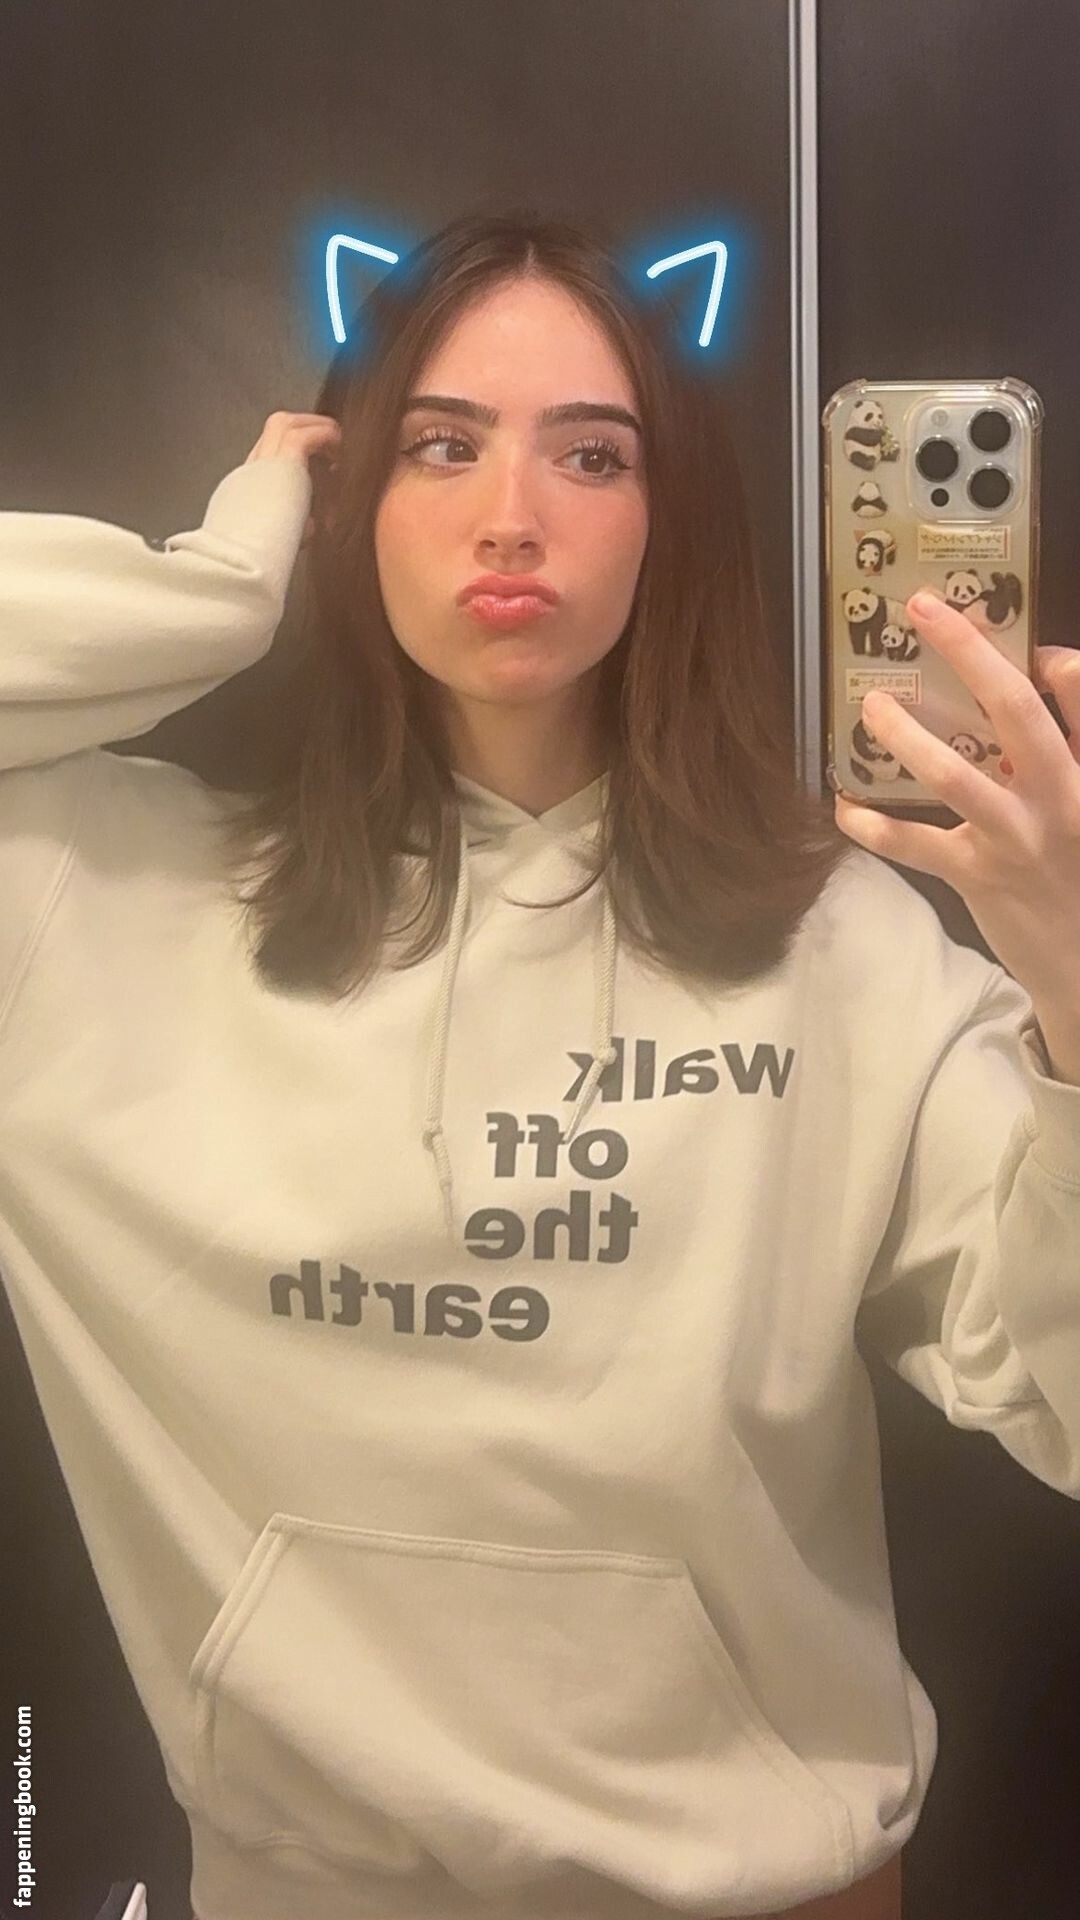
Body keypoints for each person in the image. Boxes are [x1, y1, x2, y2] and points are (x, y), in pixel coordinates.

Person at [2, 208, 1078, 1920]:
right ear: (347, 498)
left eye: (592, 455)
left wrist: (1074, 977)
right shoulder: (85, 905)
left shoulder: (838, 945)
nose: (514, 514)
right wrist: (202, 594)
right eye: (442, 446)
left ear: (667, 520)